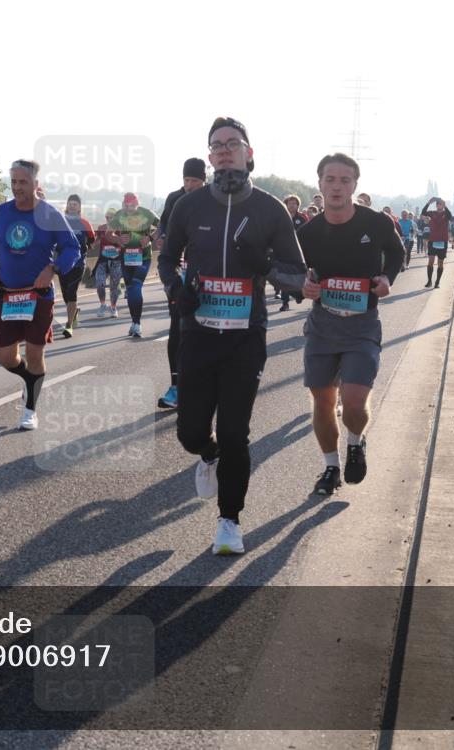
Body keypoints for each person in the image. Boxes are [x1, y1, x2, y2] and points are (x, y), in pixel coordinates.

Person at [159, 116, 307, 555]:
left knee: (235, 431)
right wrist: (176, 290)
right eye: (217, 146)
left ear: (248, 152)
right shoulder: (189, 206)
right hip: (199, 332)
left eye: (232, 144)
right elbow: (166, 259)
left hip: (246, 336)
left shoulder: (270, 209)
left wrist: (264, 265)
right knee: (190, 433)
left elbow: (297, 277)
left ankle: (230, 521)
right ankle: (208, 455)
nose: (224, 151)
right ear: (210, 157)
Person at [299, 153, 404, 497]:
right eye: (330, 180)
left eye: (345, 180)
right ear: (320, 184)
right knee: (323, 402)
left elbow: (397, 253)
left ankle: (356, 442)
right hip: (323, 325)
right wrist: (303, 286)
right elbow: (294, 270)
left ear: (355, 185)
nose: (337, 187)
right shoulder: (308, 232)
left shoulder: (376, 223)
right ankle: (331, 467)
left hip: (362, 325)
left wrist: (387, 278)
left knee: (354, 404)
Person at [0, 159, 80, 431]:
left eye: (23, 182)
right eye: (13, 182)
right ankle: (30, 380)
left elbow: (72, 248)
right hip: (8, 295)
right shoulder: (1, 213)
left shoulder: (49, 214)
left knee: (35, 353)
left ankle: (30, 409)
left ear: (36, 184)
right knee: (5, 357)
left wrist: (53, 268)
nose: (17, 187)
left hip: (39, 295)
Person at [156, 158, 207, 408]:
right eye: (186, 180)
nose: (189, 185)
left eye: (194, 180)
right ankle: (176, 387)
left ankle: (204, 384)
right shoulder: (175, 199)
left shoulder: (213, 200)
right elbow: (163, 225)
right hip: (179, 274)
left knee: (205, 331)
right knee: (177, 328)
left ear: (204, 180)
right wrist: (161, 237)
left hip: (208, 276)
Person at [108, 192, 160, 338]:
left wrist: (150, 238)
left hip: (143, 257)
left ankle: (137, 324)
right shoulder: (119, 215)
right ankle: (134, 322)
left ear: (137, 204)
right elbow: (108, 234)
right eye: (127, 205)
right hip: (126, 258)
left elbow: (162, 226)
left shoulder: (147, 213)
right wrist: (118, 239)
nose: (129, 209)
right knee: (131, 289)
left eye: (132, 206)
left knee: (136, 286)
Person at [60, 194, 96, 338]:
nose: (72, 206)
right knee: (65, 294)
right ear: (67, 206)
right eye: (70, 204)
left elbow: (92, 239)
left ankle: (69, 325)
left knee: (71, 292)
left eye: (75, 204)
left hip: (78, 263)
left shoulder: (84, 223)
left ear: (79, 207)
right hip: (63, 263)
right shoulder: (60, 221)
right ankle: (74, 312)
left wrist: (87, 247)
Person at [281, 195, 310, 312]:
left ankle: (298, 293)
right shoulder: (281, 215)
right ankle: (285, 302)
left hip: (300, 250)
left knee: (300, 273)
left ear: (298, 205)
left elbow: (308, 232)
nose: (292, 205)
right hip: (284, 249)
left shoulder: (302, 217)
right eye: (290, 203)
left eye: (294, 203)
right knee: (284, 275)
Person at [93, 207, 122, 317]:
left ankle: (113, 307)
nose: (109, 219)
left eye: (112, 217)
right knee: (99, 283)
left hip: (116, 261)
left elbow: (124, 243)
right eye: (107, 217)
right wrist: (90, 244)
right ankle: (103, 305)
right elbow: (95, 241)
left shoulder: (120, 229)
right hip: (103, 261)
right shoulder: (101, 228)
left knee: (114, 286)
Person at [421, 197, 452, 288]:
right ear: (436, 205)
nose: (439, 205)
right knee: (430, 261)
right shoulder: (432, 213)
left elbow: (450, 216)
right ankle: (429, 281)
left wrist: (445, 205)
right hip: (433, 240)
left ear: (443, 205)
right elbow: (423, 213)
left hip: (443, 241)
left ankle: (437, 282)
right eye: (437, 204)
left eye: (440, 204)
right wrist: (428, 203)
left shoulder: (446, 213)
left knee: (440, 263)